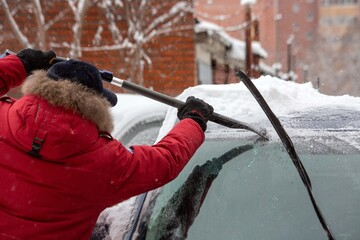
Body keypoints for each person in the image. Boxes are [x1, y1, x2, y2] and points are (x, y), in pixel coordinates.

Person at [0, 48, 214, 240]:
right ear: (97, 105)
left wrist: (20, 63)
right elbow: (163, 161)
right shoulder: (105, 162)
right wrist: (194, 121)